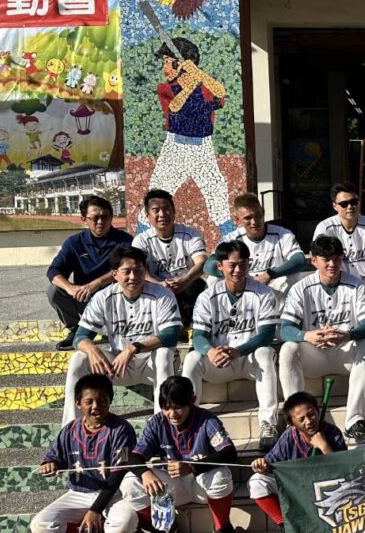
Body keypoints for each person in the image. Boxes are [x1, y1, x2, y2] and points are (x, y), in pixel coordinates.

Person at [115, 377, 245, 533]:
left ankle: (222, 528)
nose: (172, 414)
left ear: (192, 400)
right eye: (166, 408)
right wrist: (145, 473)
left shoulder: (207, 419)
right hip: (172, 487)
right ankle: (166, 529)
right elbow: (134, 456)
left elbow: (230, 453)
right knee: (130, 482)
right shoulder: (157, 422)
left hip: (201, 484)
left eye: (178, 407)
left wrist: (192, 467)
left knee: (221, 474)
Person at [61, 246, 180, 426]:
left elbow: (171, 335)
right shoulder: (103, 297)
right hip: (118, 366)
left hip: (151, 364)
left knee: (163, 354)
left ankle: (162, 425)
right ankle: (71, 428)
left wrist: (134, 348)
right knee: (79, 358)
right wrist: (92, 349)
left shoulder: (162, 295)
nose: (133, 276)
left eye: (139, 270)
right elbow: (80, 337)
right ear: (115, 274)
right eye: (127, 271)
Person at [182, 240, 280, 452]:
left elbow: (266, 335)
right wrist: (209, 351)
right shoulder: (207, 296)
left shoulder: (263, 293)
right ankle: (189, 425)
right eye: (232, 265)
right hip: (218, 361)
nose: (238, 270)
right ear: (219, 266)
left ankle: (268, 424)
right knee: (191, 358)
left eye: (243, 264)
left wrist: (238, 351)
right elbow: (198, 336)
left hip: (247, 358)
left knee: (265, 353)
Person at [278, 236, 365, 445]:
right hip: (315, 354)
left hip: (344, 352)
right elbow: (284, 329)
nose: (332, 264)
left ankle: (354, 421)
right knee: (288, 349)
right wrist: (307, 335)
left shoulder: (357, 285)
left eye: (337, 259)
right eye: (326, 259)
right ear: (314, 260)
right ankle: (295, 419)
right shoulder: (300, 288)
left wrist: (348, 335)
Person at [30, 374, 137, 533]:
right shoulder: (70, 430)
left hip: (113, 494)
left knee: (122, 526)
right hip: (79, 493)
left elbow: (117, 475)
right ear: (78, 403)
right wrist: (50, 464)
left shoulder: (121, 429)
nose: (96, 406)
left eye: (102, 400)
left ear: (110, 401)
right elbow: (54, 456)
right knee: (40, 526)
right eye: (89, 402)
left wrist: (95, 511)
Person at [144, 37, 232, 233]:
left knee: (217, 193)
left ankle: (230, 240)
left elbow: (220, 92)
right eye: (165, 62)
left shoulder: (205, 88)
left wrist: (198, 73)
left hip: (203, 148)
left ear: (182, 64)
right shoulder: (165, 88)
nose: (165, 68)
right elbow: (175, 107)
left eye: (169, 62)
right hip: (175, 147)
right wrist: (190, 86)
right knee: (156, 196)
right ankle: (139, 243)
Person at [249, 391, 347, 533]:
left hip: (326, 492)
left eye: (311, 415)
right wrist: (262, 465)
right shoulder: (289, 436)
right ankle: (287, 528)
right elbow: (270, 462)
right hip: (297, 489)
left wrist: (324, 446)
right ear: (292, 423)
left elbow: (344, 471)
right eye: (301, 419)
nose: (309, 421)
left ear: (318, 412)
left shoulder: (332, 433)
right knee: (257, 482)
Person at [46, 196, 133, 350]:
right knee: (54, 290)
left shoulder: (125, 241)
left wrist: (97, 283)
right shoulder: (74, 242)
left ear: (111, 217)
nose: (100, 222)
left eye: (105, 217)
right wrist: (70, 288)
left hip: (115, 299)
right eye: (95, 218)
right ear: (84, 219)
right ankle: (75, 329)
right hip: (85, 298)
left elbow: (130, 269)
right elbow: (53, 271)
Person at [208, 193, 307, 305]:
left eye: (258, 215)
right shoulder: (230, 238)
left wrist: (270, 274)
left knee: (293, 277)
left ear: (263, 212)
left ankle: (285, 315)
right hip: (241, 281)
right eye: (248, 218)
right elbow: (209, 266)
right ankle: (224, 312)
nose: (254, 222)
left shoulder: (282, 234)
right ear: (237, 219)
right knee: (213, 279)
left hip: (272, 282)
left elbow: (300, 260)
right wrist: (242, 276)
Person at [131, 188, 207, 327]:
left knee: (198, 284)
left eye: (166, 209)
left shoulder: (191, 234)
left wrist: (185, 279)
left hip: (186, 284)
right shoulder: (141, 240)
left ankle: (194, 327)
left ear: (174, 212)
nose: (162, 214)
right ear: (147, 216)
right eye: (156, 210)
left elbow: (201, 263)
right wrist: (159, 284)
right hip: (156, 287)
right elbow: (138, 268)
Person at [312, 181, 365, 300]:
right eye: (344, 204)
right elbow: (317, 255)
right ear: (335, 206)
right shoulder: (325, 227)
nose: (350, 207)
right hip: (339, 279)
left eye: (354, 202)